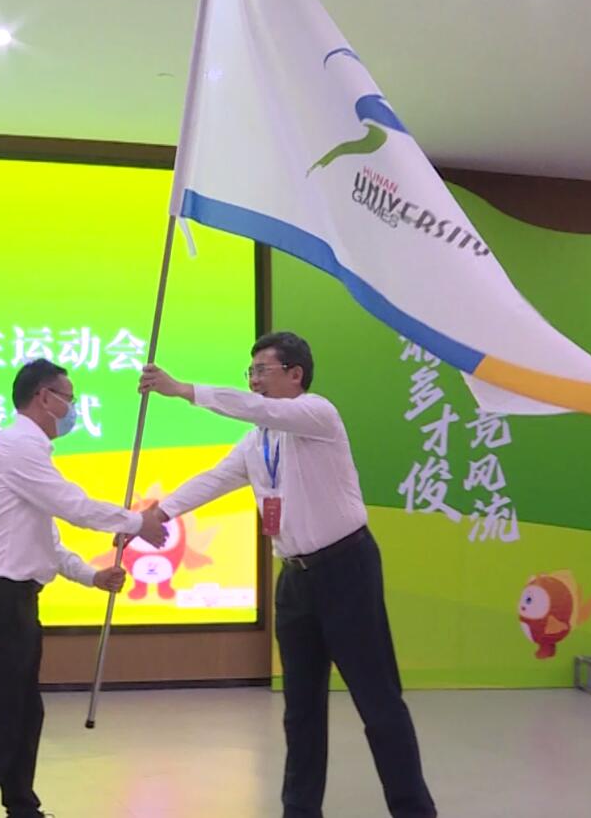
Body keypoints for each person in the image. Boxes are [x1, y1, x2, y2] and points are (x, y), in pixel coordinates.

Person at [138, 332, 436, 818]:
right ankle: (299, 810)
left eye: (263, 370)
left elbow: (257, 409)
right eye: (251, 371)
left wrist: (182, 389)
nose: (254, 380)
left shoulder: (318, 414)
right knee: (300, 709)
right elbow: (214, 479)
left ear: (296, 374)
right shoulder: (258, 441)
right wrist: (158, 514)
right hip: (295, 580)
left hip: (347, 570)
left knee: (377, 700)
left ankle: (413, 810)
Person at [0, 358, 168, 818]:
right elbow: (73, 506)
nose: (73, 408)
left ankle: (22, 807)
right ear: (44, 398)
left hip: (14, 601)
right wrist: (137, 522)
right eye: (69, 399)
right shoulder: (17, 446)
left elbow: (47, 542)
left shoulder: (29, 453)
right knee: (0, 716)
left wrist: (92, 576)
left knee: (25, 712)